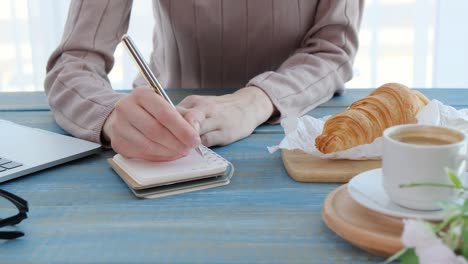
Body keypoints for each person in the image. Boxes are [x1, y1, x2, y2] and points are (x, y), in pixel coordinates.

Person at [45, 0, 363, 161]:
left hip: (287, 135)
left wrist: (253, 102)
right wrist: (112, 116)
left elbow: (333, 48)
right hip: (166, 124)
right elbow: (73, 63)